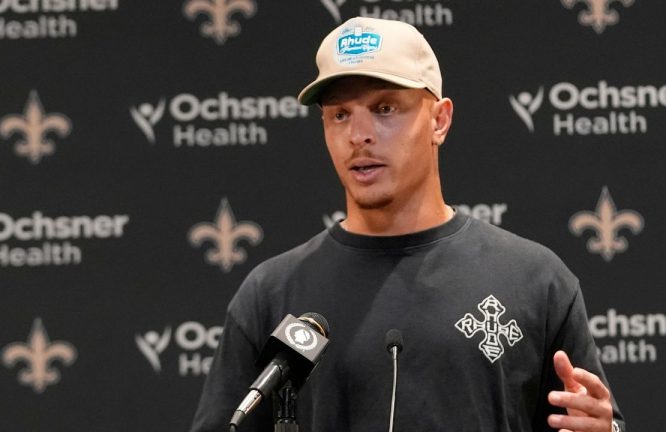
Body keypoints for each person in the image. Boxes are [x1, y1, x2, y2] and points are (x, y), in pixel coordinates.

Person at [191, 17, 625, 432]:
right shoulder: (270, 294)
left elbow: (594, 420)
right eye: (340, 114)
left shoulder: (535, 279)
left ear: (439, 121)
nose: (358, 134)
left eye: (384, 108)